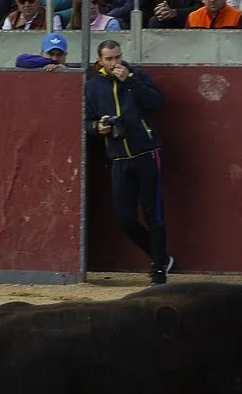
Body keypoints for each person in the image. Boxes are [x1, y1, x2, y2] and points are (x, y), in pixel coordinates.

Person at [84, 39, 174, 286]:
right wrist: (96, 127)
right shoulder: (93, 86)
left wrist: (130, 81)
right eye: (109, 59)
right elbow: (86, 120)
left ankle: (158, 269)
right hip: (119, 157)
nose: (115, 64)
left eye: (117, 58)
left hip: (146, 152)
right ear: (100, 61)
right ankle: (161, 256)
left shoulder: (136, 75)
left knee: (153, 213)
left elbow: (157, 102)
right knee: (125, 218)